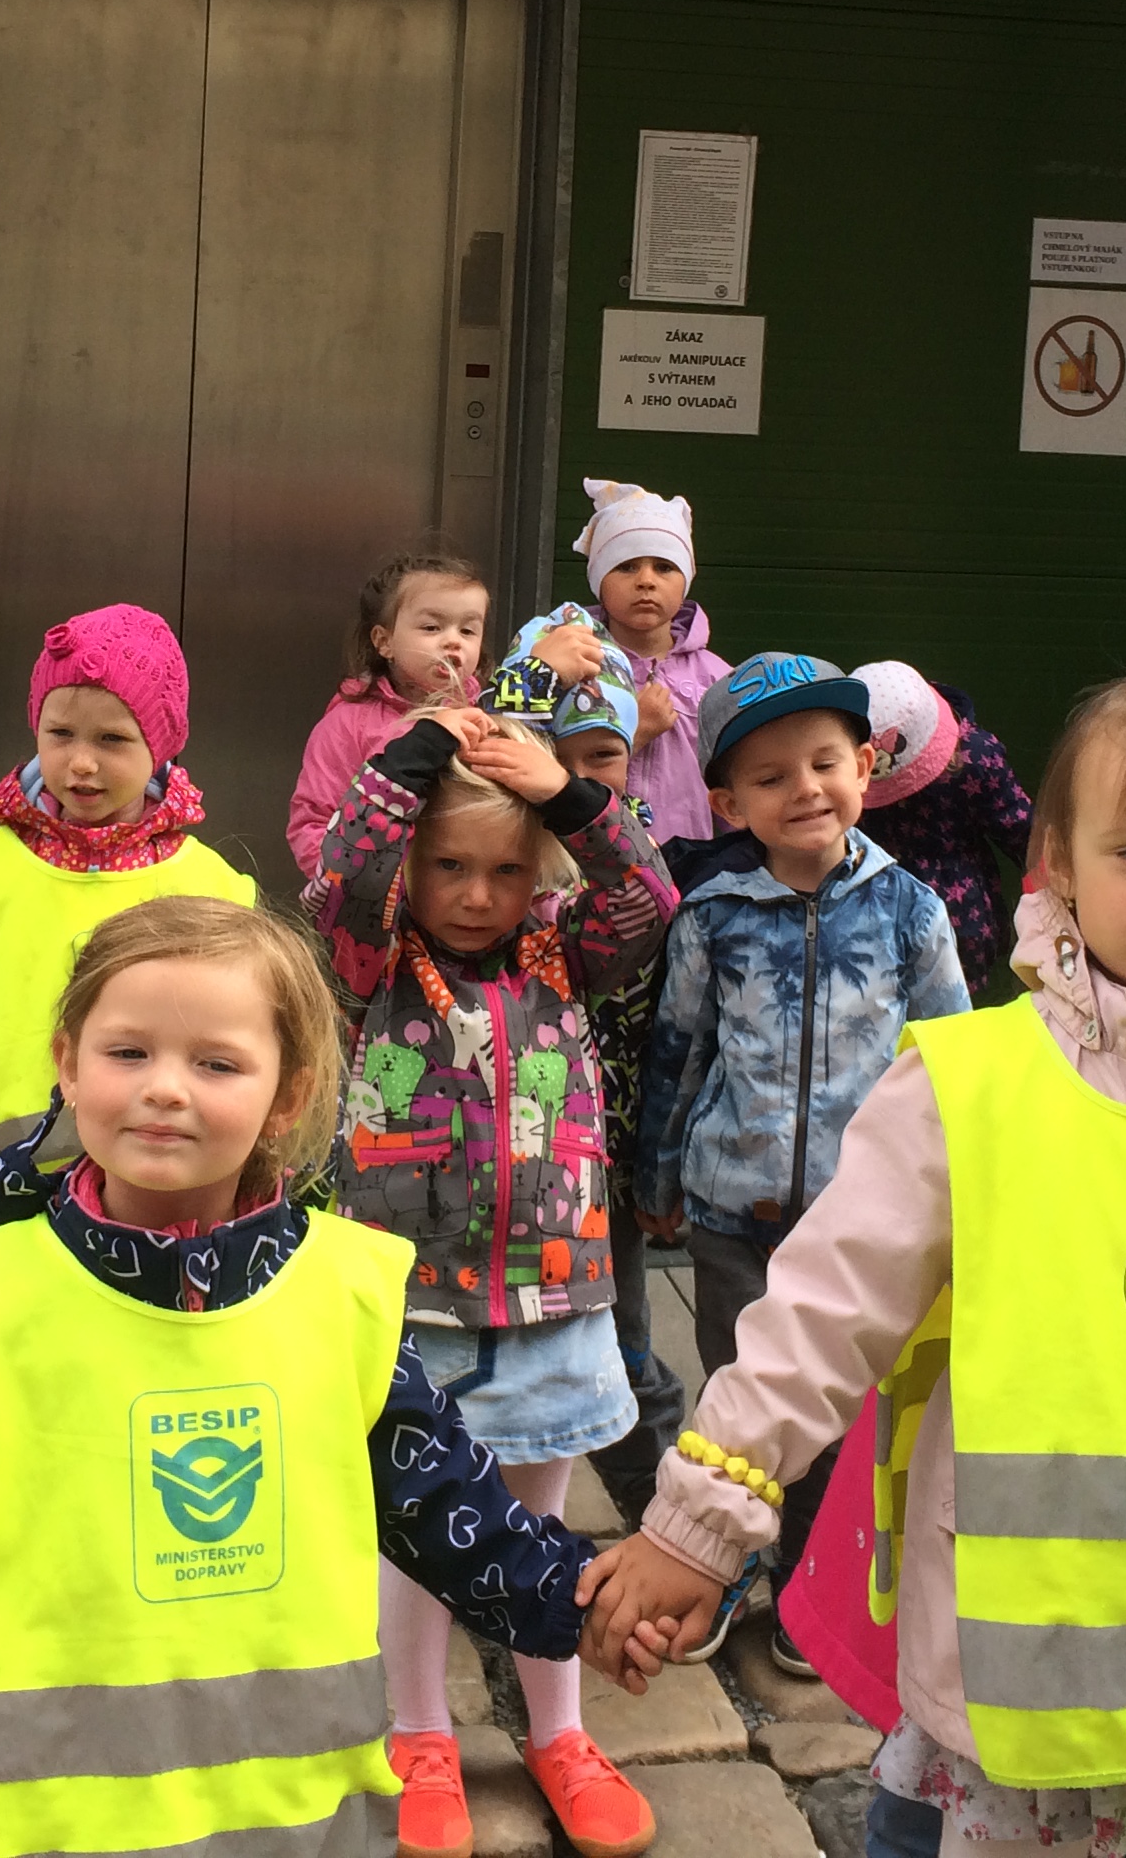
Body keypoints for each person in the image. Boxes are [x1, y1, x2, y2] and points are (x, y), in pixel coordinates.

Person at [579, 671, 1126, 1858]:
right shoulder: (966, 1087)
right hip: (1018, 1688)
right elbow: (819, 1320)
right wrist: (697, 1527)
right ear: (1060, 860)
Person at [0, 895, 623, 1858]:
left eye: (216, 1064)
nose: (166, 1089)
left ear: (286, 1096)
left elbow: (446, 1504)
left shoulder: (346, 1295)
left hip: (294, 1821)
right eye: (129, 1052)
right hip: (60, 1822)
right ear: (68, 1065)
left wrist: (578, 1597)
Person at [311, 701, 677, 1856]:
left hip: (554, 1295)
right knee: (419, 1535)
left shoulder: (563, 951)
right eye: (450, 867)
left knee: (539, 1519)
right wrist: (413, 756)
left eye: (507, 871)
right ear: (412, 865)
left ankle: (559, 1733)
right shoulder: (375, 962)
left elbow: (649, 895)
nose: (477, 895)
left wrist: (568, 794)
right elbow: (342, 880)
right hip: (415, 1303)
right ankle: (416, 1736)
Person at [631, 653, 972, 1677]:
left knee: (843, 1416)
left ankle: (813, 1585)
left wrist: (962, 1201)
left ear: (865, 767)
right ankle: (727, 1558)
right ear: (728, 802)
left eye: (825, 762)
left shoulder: (912, 910)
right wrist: (658, 1181)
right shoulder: (715, 914)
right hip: (734, 1214)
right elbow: (679, 1051)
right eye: (771, 777)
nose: (805, 790)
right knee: (739, 1394)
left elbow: (951, 1060)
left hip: (866, 1230)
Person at [0, 604, 255, 1257]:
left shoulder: (217, 889)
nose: (81, 762)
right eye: (59, 734)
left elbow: (244, 1050)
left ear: (161, 745)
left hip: (164, 1206)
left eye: (112, 739)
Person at [484, 618, 690, 1527]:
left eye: (601, 754)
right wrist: (522, 686)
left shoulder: (624, 848)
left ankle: (655, 1506)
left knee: (623, 1341)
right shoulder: (499, 859)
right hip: (511, 1156)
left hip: (607, 1154)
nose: (573, 775)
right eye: (555, 756)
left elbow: (645, 914)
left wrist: (660, 1160)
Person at [287, 548, 493, 880]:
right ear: (384, 642)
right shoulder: (347, 725)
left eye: (468, 631)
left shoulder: (485, 713)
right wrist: (351, 886)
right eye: (432, 627)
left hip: (469, 893)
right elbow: (313, 823)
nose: (453, 642)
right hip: (376, 895)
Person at [850, 660, 1033, 996]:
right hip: (962, 920)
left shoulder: (841, 776)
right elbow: (1023, 834)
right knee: (959, 1016)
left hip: (876, 921)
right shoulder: (976, 756)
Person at [573, 480, 734, 847]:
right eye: (626, 566)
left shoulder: (719, 679)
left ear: (686, 580)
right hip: (592, 860)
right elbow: (550, 770)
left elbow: (737, 783)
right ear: (598, 580)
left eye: (664, 567)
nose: (646, 581)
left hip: (690, 865)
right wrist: (634, 731)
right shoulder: (573, 665)